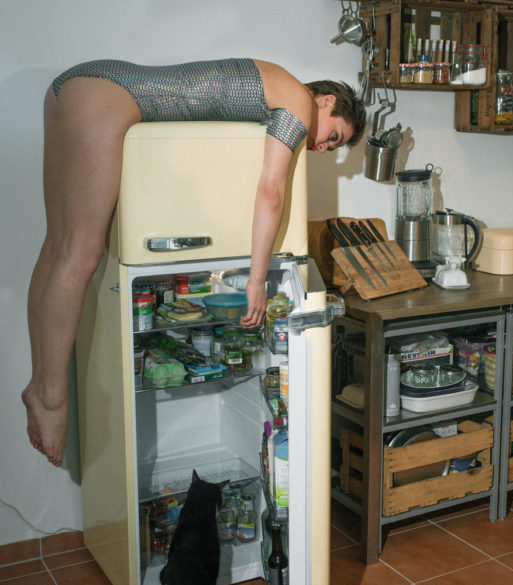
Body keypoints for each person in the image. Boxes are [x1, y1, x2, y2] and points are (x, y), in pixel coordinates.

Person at [21, 58, 366, 467]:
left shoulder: (278, 89)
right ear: (326, 101)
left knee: (58, 249)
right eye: (333, 136)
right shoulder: (298, 100)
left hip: (76, 87)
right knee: (80, 253)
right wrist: (256, 280)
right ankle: (52, 398)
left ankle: (41, 386)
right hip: (110, 94)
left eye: (331, 147)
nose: (323, 148)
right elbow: (270, 192)